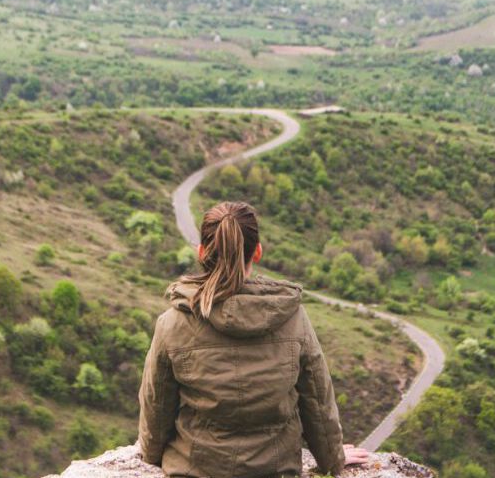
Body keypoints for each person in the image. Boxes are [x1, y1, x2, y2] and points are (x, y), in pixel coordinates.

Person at [138, 201, 370, 477]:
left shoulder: (173, 323)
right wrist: (334, 458)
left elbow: (157, 405)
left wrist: (150, 455)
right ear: (257, 251)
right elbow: (317, 402)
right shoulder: (293, 318)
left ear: (202, 253)